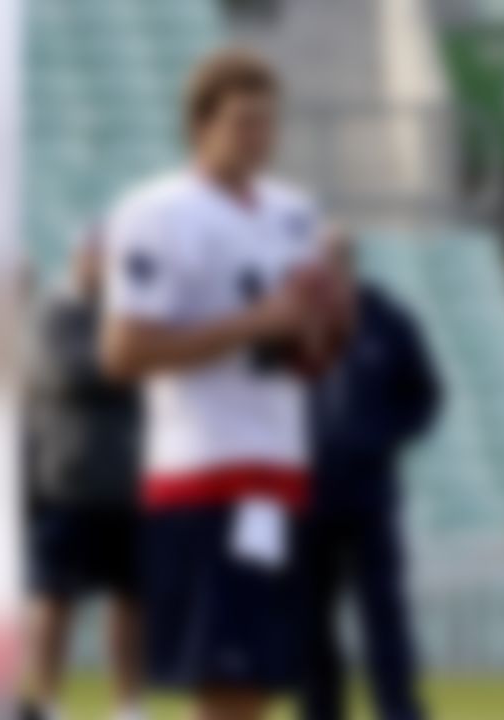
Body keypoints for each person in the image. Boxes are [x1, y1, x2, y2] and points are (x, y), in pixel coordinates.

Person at [98, 48, 349, 720]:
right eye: (242, 122)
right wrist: (257, 320)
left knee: (257, 682)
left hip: (279, 464)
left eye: (268, 123)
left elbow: (309, 352)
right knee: (228, 683)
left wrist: (327, 317)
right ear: (199, 126)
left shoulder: (294, 210)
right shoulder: (155, 212)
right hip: (205, 468)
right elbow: (123, 352)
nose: (259, 137)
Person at [300, 266, 442, 720]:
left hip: (371, 496)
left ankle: (399, 710)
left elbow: (425, 394)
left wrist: (382, 436)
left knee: (384, 616)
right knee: (308, 620)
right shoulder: (285, 319)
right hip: (303, 498)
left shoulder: (388, 319)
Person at [20, 232, 146, 720]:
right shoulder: (54, 311)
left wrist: (132, 361)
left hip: (128, 481)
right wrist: (133, 360)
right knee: (55, 600)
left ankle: (129, 706)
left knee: (131, 601)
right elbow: (69, 372)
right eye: (96, 255)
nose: (104, 265)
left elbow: (146, 375)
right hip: (66, 482)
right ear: (78, 259)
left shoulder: (129, 315)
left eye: (111, 256)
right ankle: (47, 702)